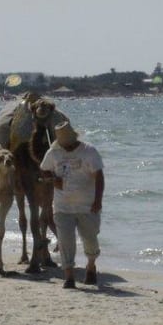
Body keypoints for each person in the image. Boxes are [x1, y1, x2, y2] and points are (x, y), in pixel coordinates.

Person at [40, 122, 104, 289]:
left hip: (87, 206)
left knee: (91, 240)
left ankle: (91, 265)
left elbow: (99, 176)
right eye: (63, 144)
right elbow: (44, 169)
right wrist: (52, 179)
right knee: (65, 241)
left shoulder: (89, 151)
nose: (65, 147)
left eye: (67, 143)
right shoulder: (53, 152)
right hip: (62, 207)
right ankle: (69, 276)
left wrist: (98, 201)